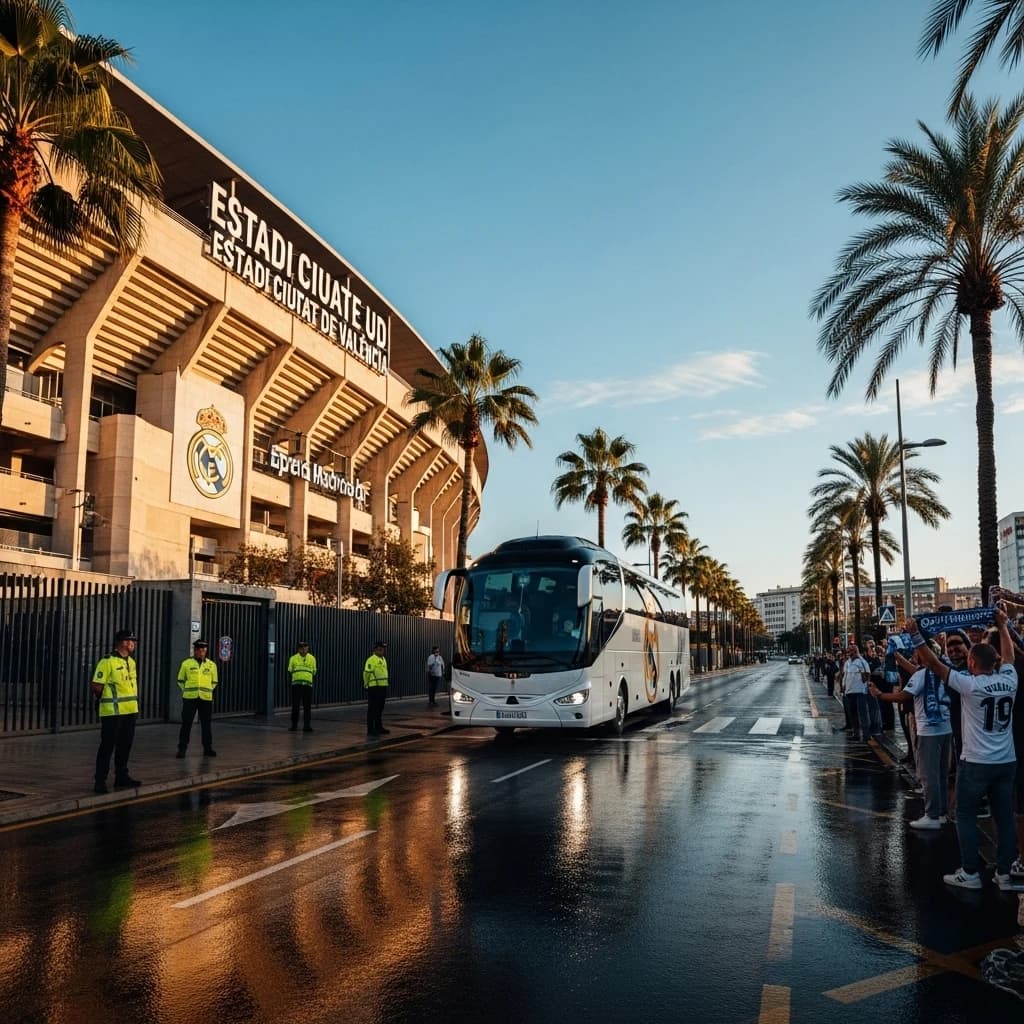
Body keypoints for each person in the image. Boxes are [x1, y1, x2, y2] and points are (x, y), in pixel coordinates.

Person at [907, 610, 1020, 890]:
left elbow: (934, 664)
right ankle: (1005, 873)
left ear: (971, 662)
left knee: (965, 814)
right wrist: (1003, 626)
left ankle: (970, 872)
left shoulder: (969, 685)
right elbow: (1009, 657)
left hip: (976, 761)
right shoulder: (1010, 679)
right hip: (1006, 760)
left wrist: (915, 635)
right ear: (996, 662)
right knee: (1004, 817)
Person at [871, 646, 952, 829]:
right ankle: (941, 813)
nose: (914, 655)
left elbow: (903, 696)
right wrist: (898, 657)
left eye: (917, 652)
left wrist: (880, 695)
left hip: (928, 730)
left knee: (928, 774)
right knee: (941, 773)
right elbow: (914, 670)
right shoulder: (942, 670)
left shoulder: (921, 675)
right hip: (945, 727)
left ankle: (932, 815)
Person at [91, 628, 141, 793]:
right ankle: (100, 780)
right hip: (112, 712)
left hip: (130, 711)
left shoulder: (131, 662)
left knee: (125, 746)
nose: (133, 644)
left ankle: (121, 776)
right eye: (131, 641)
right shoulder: (107, 661)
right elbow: (97, 685)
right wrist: (103, 699)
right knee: (107, 746)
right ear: (123, 642)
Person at [176, 639, 218, 758]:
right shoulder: (186, 663)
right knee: (186, 724)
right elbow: (180, 680)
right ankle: (182, 749)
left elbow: (214, 682)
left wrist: (207, 690)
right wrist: (186, 690)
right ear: (195, 650)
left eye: (203, 650)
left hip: (206, 698)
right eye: (199, 650)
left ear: (206, 651)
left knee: (206, 725)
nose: (201, 652)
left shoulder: (211, 665)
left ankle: (208, 748)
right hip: (190, 698)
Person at [841, 642, 871, 740]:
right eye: (848, 651)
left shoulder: (862, 662)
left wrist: (865, 684)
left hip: (860, 691)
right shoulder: (847, 662)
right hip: (849, 691)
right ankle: (856, 733)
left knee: (862, 713)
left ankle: (866, 734)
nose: (849, 652)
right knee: (853, 713)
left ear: (855, 651)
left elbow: (867, 674)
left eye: (851, 651)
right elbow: (845, 675)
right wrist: (843, 686)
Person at [287, 640, 317, 732]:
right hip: (296, 685)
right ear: (298, 649)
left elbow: (314, 671)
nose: (303, 649)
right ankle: (294, 725)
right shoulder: (293, 658)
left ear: (307, 648)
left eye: (305, 647)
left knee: (307, 706)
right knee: (295, 706)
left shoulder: (312, 658)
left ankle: (307, 726)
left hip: (307, 686)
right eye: (301, 647)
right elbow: (290, 670)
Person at [364, 639, 390, 737]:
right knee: (372, 709)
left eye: (383, 649)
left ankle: (379, 727)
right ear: (375, 649)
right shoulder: (371, 660)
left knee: (380, 708)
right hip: (374, 687)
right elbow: (366, 673)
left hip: (383, 686)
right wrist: (366, 684)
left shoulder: (383, 659)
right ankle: (371, 729)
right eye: (380, 649)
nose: (382, 650)